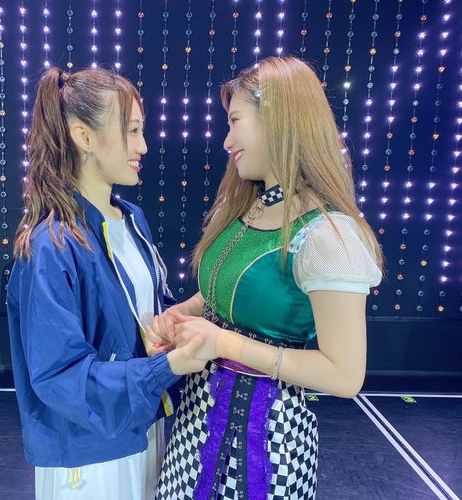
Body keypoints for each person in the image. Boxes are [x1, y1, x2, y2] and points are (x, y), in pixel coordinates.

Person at [151, 56, 384, 500]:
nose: (227, 141)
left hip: (268, 442)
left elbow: (345, 375)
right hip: (196, 422)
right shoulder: (244, 205)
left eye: (235, 121)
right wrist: (181, 313)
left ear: (278, 120)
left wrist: (222, 343)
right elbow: (222, 292)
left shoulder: (327, 236)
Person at [6, 66, 205, 500]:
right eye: (131, 131)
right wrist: (166, 367)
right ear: (85, 136)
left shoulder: (132, 219)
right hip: (89, 455)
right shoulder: (51, 246)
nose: (143, 146)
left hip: (141, 426)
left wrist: (175, 323)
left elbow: (142, 314)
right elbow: (60, 377)